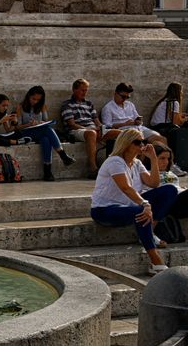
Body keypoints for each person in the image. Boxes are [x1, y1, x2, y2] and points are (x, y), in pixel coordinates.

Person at [90, 129, 178, 275]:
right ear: (126, 144)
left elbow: (154, 183)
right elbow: (125, 187)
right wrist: (145, 203)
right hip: (103, 210)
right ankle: (155, 259)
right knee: (140, 210)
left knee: (169, 190)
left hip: (129, 207)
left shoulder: (137, 163)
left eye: (143, 141)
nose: (142, 145)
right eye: (137, 142)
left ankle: (149, 231)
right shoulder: (115, 161)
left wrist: (153, 159)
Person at [13, 85, 76, 181]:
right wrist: (29, 125)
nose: (35, 102)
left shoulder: (42, 106)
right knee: (47, 130)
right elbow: (17, 127)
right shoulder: (20, 107)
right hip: (26, 133)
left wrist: (39, 123)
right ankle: (63, 155)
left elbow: (46, 121)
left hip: (40, 131)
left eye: (38, 100)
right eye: (33, 99)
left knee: (46, 139)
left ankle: (47, 172)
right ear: (28, 96)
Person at [61, 78, 111, 178]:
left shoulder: (89, 104)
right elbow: (72, 124)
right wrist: (89, 129)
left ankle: (112, 167)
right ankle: (93, 168)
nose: (85, 92)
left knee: (119, 133)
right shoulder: (67, 104)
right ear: (74, 90)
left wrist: (102, 129)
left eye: (86, 90)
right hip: (77, 130)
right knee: (92, 133)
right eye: (82, 90)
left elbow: (97, 122)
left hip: (92, 129)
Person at [100, 83, 164, 147]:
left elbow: (137, 117)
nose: (125, 99)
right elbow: (107, 127)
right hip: (124, 131)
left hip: (138, 128)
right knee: (139, 142)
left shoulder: (130, 104)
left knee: (160, 138)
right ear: (115, 94)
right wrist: (124, 124)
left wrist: (138, 121)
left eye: (127, 97)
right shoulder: (108, 108)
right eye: (123, 96)